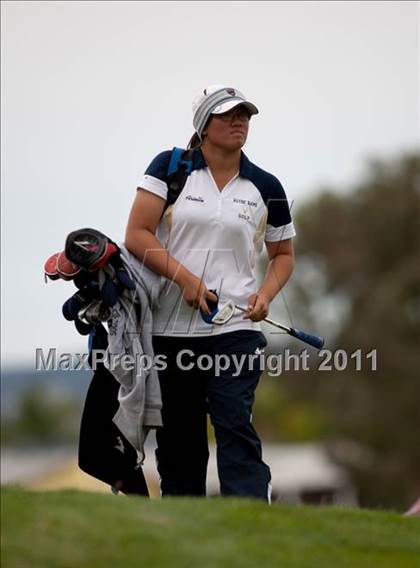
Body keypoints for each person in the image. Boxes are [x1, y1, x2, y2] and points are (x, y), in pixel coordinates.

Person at [125, 84, 296, 502]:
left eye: (246, 115)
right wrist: (184, 277)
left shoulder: (266, 185)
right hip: (169, 330)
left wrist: (266, 295)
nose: (240, 122)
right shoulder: (171, 167)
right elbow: (136, 234)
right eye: (228, 115)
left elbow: (283, 255)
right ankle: (186, 530)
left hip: (235, 329)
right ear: (204, 125)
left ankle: (250, 514)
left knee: (234, 421)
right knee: (181, 444)